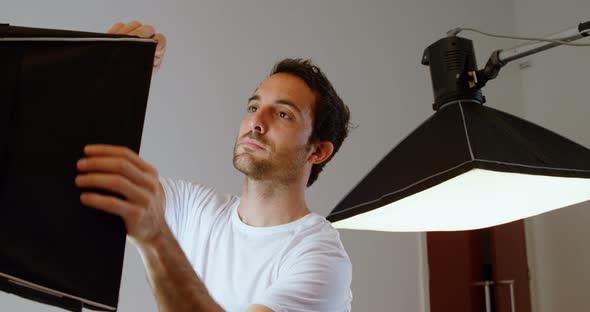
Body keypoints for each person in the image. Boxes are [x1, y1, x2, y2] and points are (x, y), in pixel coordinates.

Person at [75, 21, 352, 312]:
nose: (257, 122)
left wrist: (156, 237)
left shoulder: (320, 257)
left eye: (283, 114)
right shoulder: (194, 208)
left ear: (318, 151)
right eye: (254, 108)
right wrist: (108, 82)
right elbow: (85, 173)